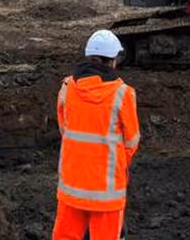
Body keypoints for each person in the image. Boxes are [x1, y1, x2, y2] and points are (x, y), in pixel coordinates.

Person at [51, 29, 140, 240]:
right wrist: (118, 165)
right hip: (107, 192)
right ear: (112, 61)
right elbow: (132, 140)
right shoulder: (123, 93)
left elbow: (65, 128)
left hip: (72, 186)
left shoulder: (67, 87)